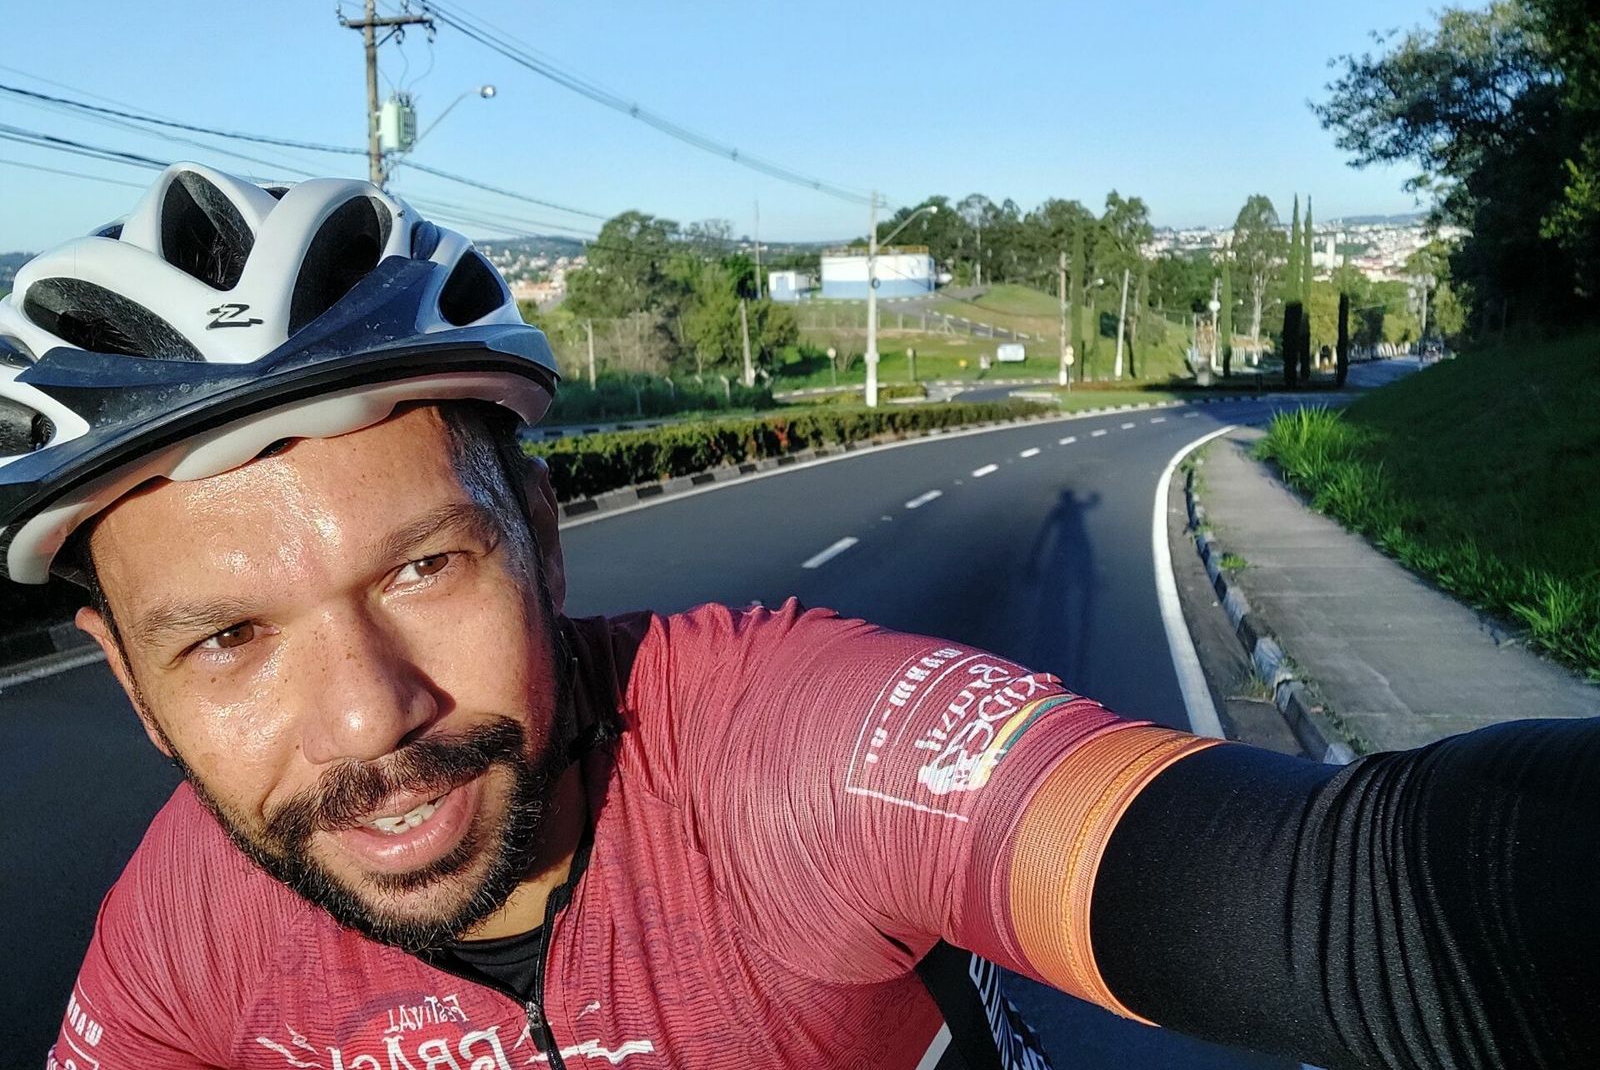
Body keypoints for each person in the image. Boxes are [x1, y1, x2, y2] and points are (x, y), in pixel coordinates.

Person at [5, 164, 1594, 1070]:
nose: (369, 716)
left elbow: (1343, 894)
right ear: (131, 684)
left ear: (540, 545)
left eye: (426, 568)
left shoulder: (788, 760)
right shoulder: (181, 924)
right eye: (229, 640)